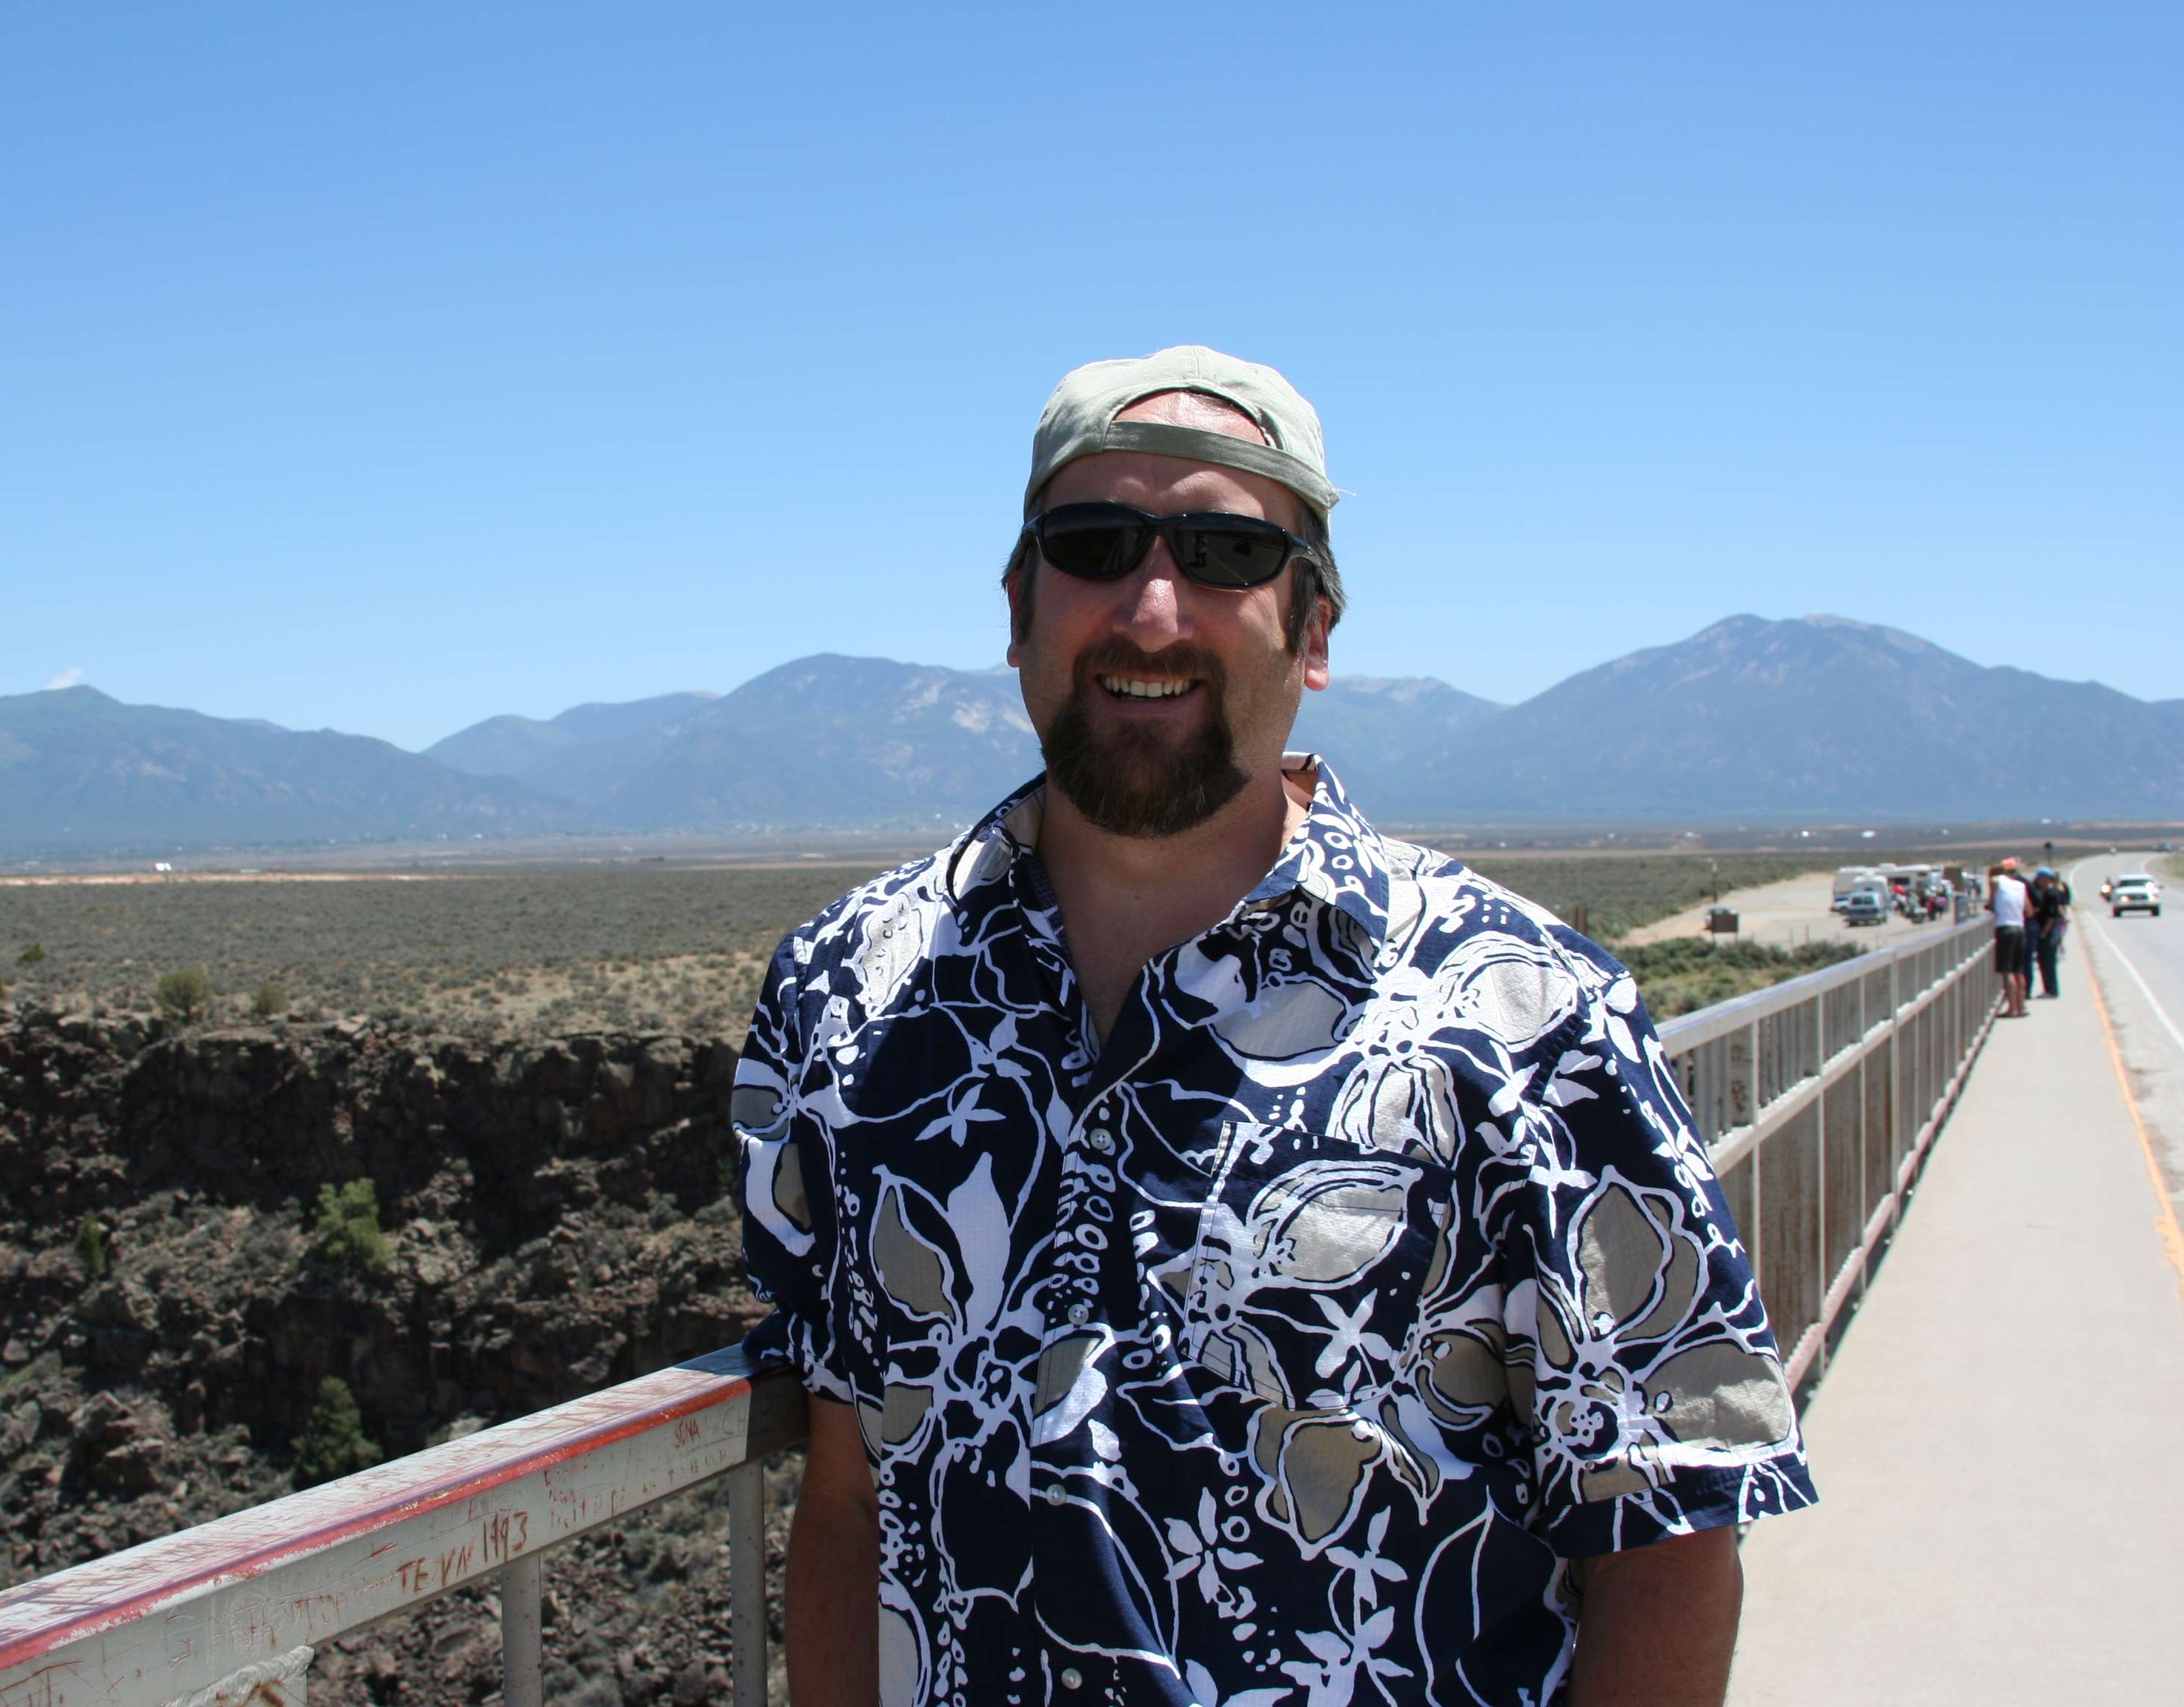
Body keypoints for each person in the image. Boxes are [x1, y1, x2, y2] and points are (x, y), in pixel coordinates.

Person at [736, 346, 1815, 1707]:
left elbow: (1666, 1532)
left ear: (1313, 630)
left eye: (1226, 551)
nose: (1150, 604)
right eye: (1093, 542)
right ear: (1018, 609)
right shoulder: (841, 992)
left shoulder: (1527, 1013)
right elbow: (847, 1493)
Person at [1990, 858, 2031, 1017]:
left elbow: (1992, 903)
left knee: (2007, 972)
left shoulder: (1996, 881)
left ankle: (2012, 1008)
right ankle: (2022, 1007)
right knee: (2018, 971)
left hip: (2005, 927)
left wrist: (1993, 906)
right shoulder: (2020, 885)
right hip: (2020, 927)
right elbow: (2028, 909)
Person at [2027, 866, 2071, 999]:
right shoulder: (2047, 892)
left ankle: (2051, 990)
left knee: (2048, 961)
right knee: (2044, 961)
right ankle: (2050, 989)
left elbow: (2052, 917)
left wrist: (2044, 933)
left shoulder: (2051, 894)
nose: (2037, 881)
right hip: (2048, 930)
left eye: (2040, 878)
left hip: (2050, 932)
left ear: (2046, 879)